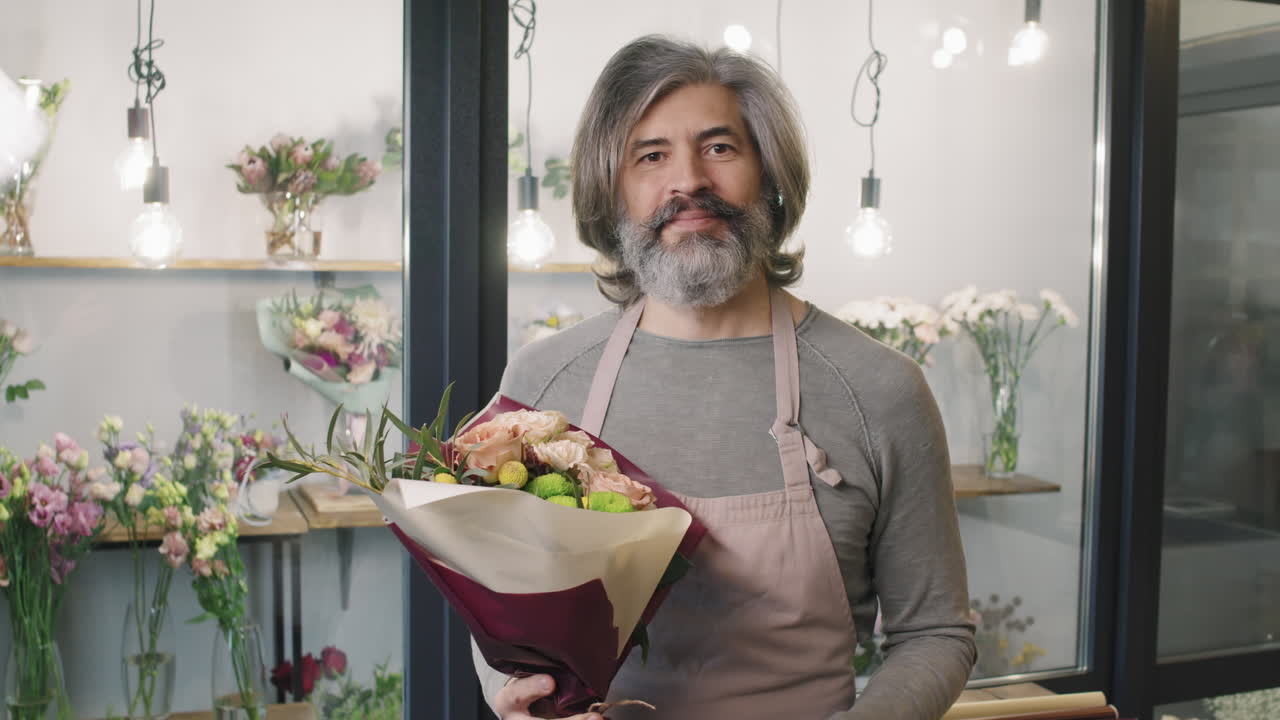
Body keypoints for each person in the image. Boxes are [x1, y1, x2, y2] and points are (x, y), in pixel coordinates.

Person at [475, 34, 976, 720]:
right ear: (612, 192)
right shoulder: (543, 383)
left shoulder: (879, 389)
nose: (688, 182)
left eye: (719, 148)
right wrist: (512, 697)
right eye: (651, 155)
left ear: (769, 174)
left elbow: (936, 633)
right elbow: (497, 603)